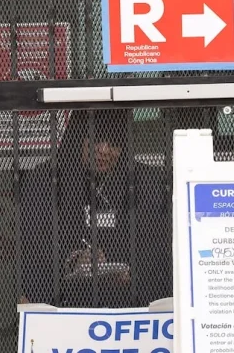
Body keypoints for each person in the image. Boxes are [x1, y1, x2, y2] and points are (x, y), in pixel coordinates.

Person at [20, 109, 173, 308]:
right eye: (96, 139)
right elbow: (32, 248)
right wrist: (73, 261)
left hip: (128, 306)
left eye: (114, 142)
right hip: (66, 304)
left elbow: (157, 247)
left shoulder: (146, 181)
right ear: (79, 138)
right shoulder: (46, 179)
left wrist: (130, 271)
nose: (104, 150)